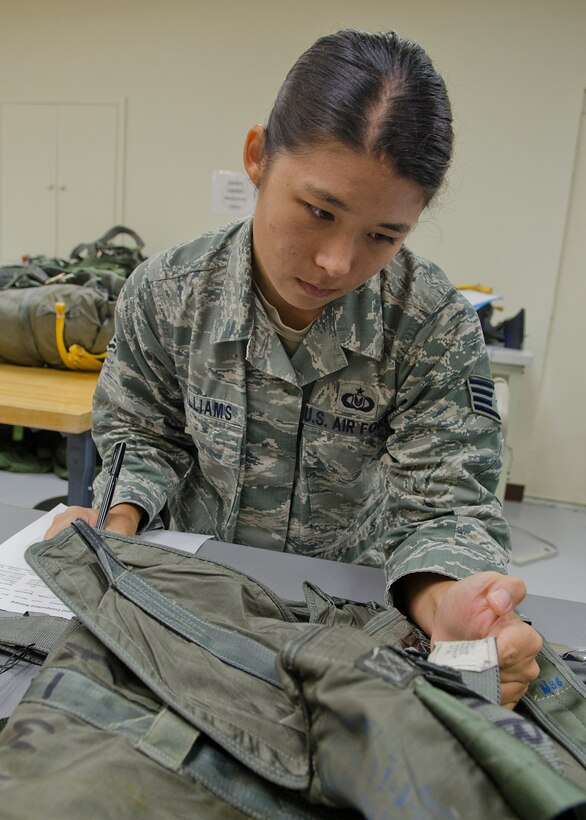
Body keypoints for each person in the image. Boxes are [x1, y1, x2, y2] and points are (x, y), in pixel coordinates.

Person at [46, 29, 541, 708]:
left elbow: (446, 509)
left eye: (383, 235)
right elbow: (144, 435)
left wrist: (448, 602)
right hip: (188, 602)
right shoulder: (168, 292)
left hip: (344, 619)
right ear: (258, 157)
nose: (338, 262)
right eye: (319, 211)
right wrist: (117, 519)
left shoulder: (428, 324)